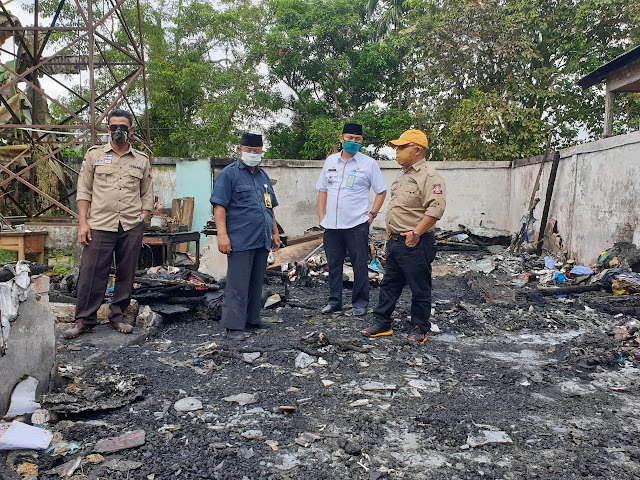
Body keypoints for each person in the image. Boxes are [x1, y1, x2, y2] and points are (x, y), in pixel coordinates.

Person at [64, 109, 153, 339]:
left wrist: (142, 220)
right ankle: (84, 320)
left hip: (131, 226)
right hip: (100, 224)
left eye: (123, 127)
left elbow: (147, 194)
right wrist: (83, 223)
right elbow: (84, 191)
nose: (118, 131)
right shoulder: (94, 155)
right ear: (107, 129)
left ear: (131, 130)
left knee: (126, 273)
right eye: (113, 127)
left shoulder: (141, 160)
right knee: (91, 272)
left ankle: (118, 317)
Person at [362, 129, 446, 344]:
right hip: (396, 241)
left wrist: (416, 233)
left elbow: (435, 209)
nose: (397, 152)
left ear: (417, 150)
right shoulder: (404, 174)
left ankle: (419, 328)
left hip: (415, 242)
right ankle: (382, 323)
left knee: (419, 287)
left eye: (401, 147)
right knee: (390, 283)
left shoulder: (429, 176)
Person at [210, 133, 281, 341]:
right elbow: (219, 207)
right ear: (240, 150)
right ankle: (233, 327)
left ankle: (251, 320)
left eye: (257, 152)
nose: (253, 155)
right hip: (240, 238)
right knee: (238, 283)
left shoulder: (263, 177)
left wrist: (275, 232)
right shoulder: (228, 175)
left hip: (261, 238)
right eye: (249, 151)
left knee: (256, 281)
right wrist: (222, 236)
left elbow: (270, 207)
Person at [316, 122, 387, 316]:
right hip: (332, 225)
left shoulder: (368, 164)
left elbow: (381, 191)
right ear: (341, 139)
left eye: (357, 139)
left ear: (361, 141)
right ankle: (334, 301)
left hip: (357, 224)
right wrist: (322, 215)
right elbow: (322, 189)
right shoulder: (330, 162)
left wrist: (371, 215)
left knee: (359, 264)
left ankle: (360, 303)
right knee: (334, 264)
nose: (352, 142)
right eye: (349, 138)